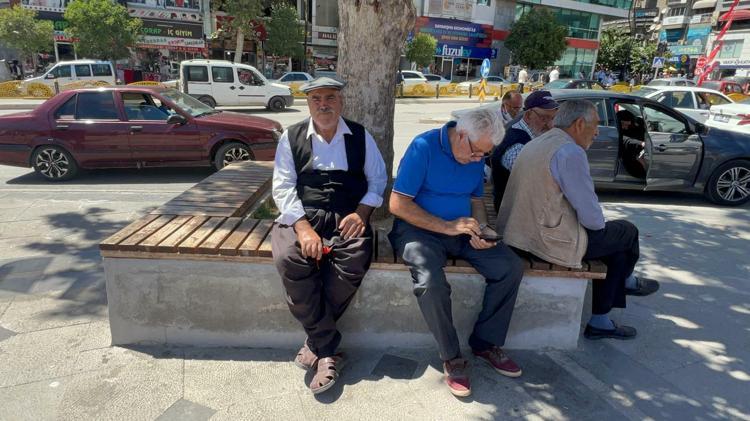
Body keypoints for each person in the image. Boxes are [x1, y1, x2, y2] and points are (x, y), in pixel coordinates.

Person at [496, 100, 660, 341]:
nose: (597, 132)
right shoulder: (569, 151)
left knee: (616, 248)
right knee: (626, 232)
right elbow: (592, 217)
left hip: (517, 233)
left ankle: (602, 319)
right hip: (542, 242)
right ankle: (625, 283)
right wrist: (597, 226)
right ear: (580, 124)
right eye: (596, 125)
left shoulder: (539, 141)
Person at [389, 107, 524, 398]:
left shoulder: (476, 153)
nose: (478, 160)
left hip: (462, 229)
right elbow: (398, 204)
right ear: (461, 135)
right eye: (476, 153)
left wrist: (482, 229)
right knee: (430, 282)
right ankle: (452, 356)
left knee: (510, 267)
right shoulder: (424, 146)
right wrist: (447, 226)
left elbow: (476, 201)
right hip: (419, 230)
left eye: (484, 155)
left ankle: (485, 343)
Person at [270, 77, 387, 394]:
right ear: (308, 103)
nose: (324, 104)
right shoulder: (291, 136)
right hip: (301, 214)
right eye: (316, 99)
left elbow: (378, 179)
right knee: (289, 258)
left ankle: (315, 341)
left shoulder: (360, 136)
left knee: (353, 260)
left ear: (341, 101)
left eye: (330, 98)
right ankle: (327, 351)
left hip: (347, 214)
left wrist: (361, 213)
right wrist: (303, 227)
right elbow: (282, 187)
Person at [490, 90, 559, 211]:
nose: (550, 125)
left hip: (526, 206)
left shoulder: (534, 134)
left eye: (553, 118)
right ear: (528, 115)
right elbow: (534, 183)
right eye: (544, 118)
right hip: (513, 211)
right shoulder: (516, 145)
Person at [616, 110, 647, 178]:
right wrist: (641, 143)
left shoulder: (635, 122)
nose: (626, 127)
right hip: (626, 156)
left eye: (628, 125)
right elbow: (624, 139)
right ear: (620, 121)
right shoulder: (616, 127)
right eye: (624, 124)